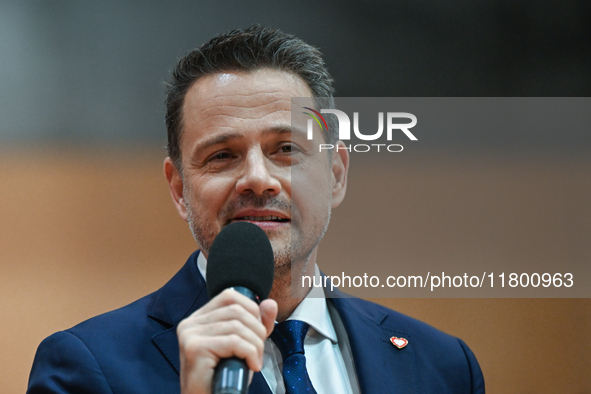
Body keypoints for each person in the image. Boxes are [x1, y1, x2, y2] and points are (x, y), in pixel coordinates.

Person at [27, 25, 485, 393]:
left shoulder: (442, 367)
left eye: (286, 148)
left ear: (337, 174)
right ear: (179, 189)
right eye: (222, 155)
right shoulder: (85, 368)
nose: (258, 179)